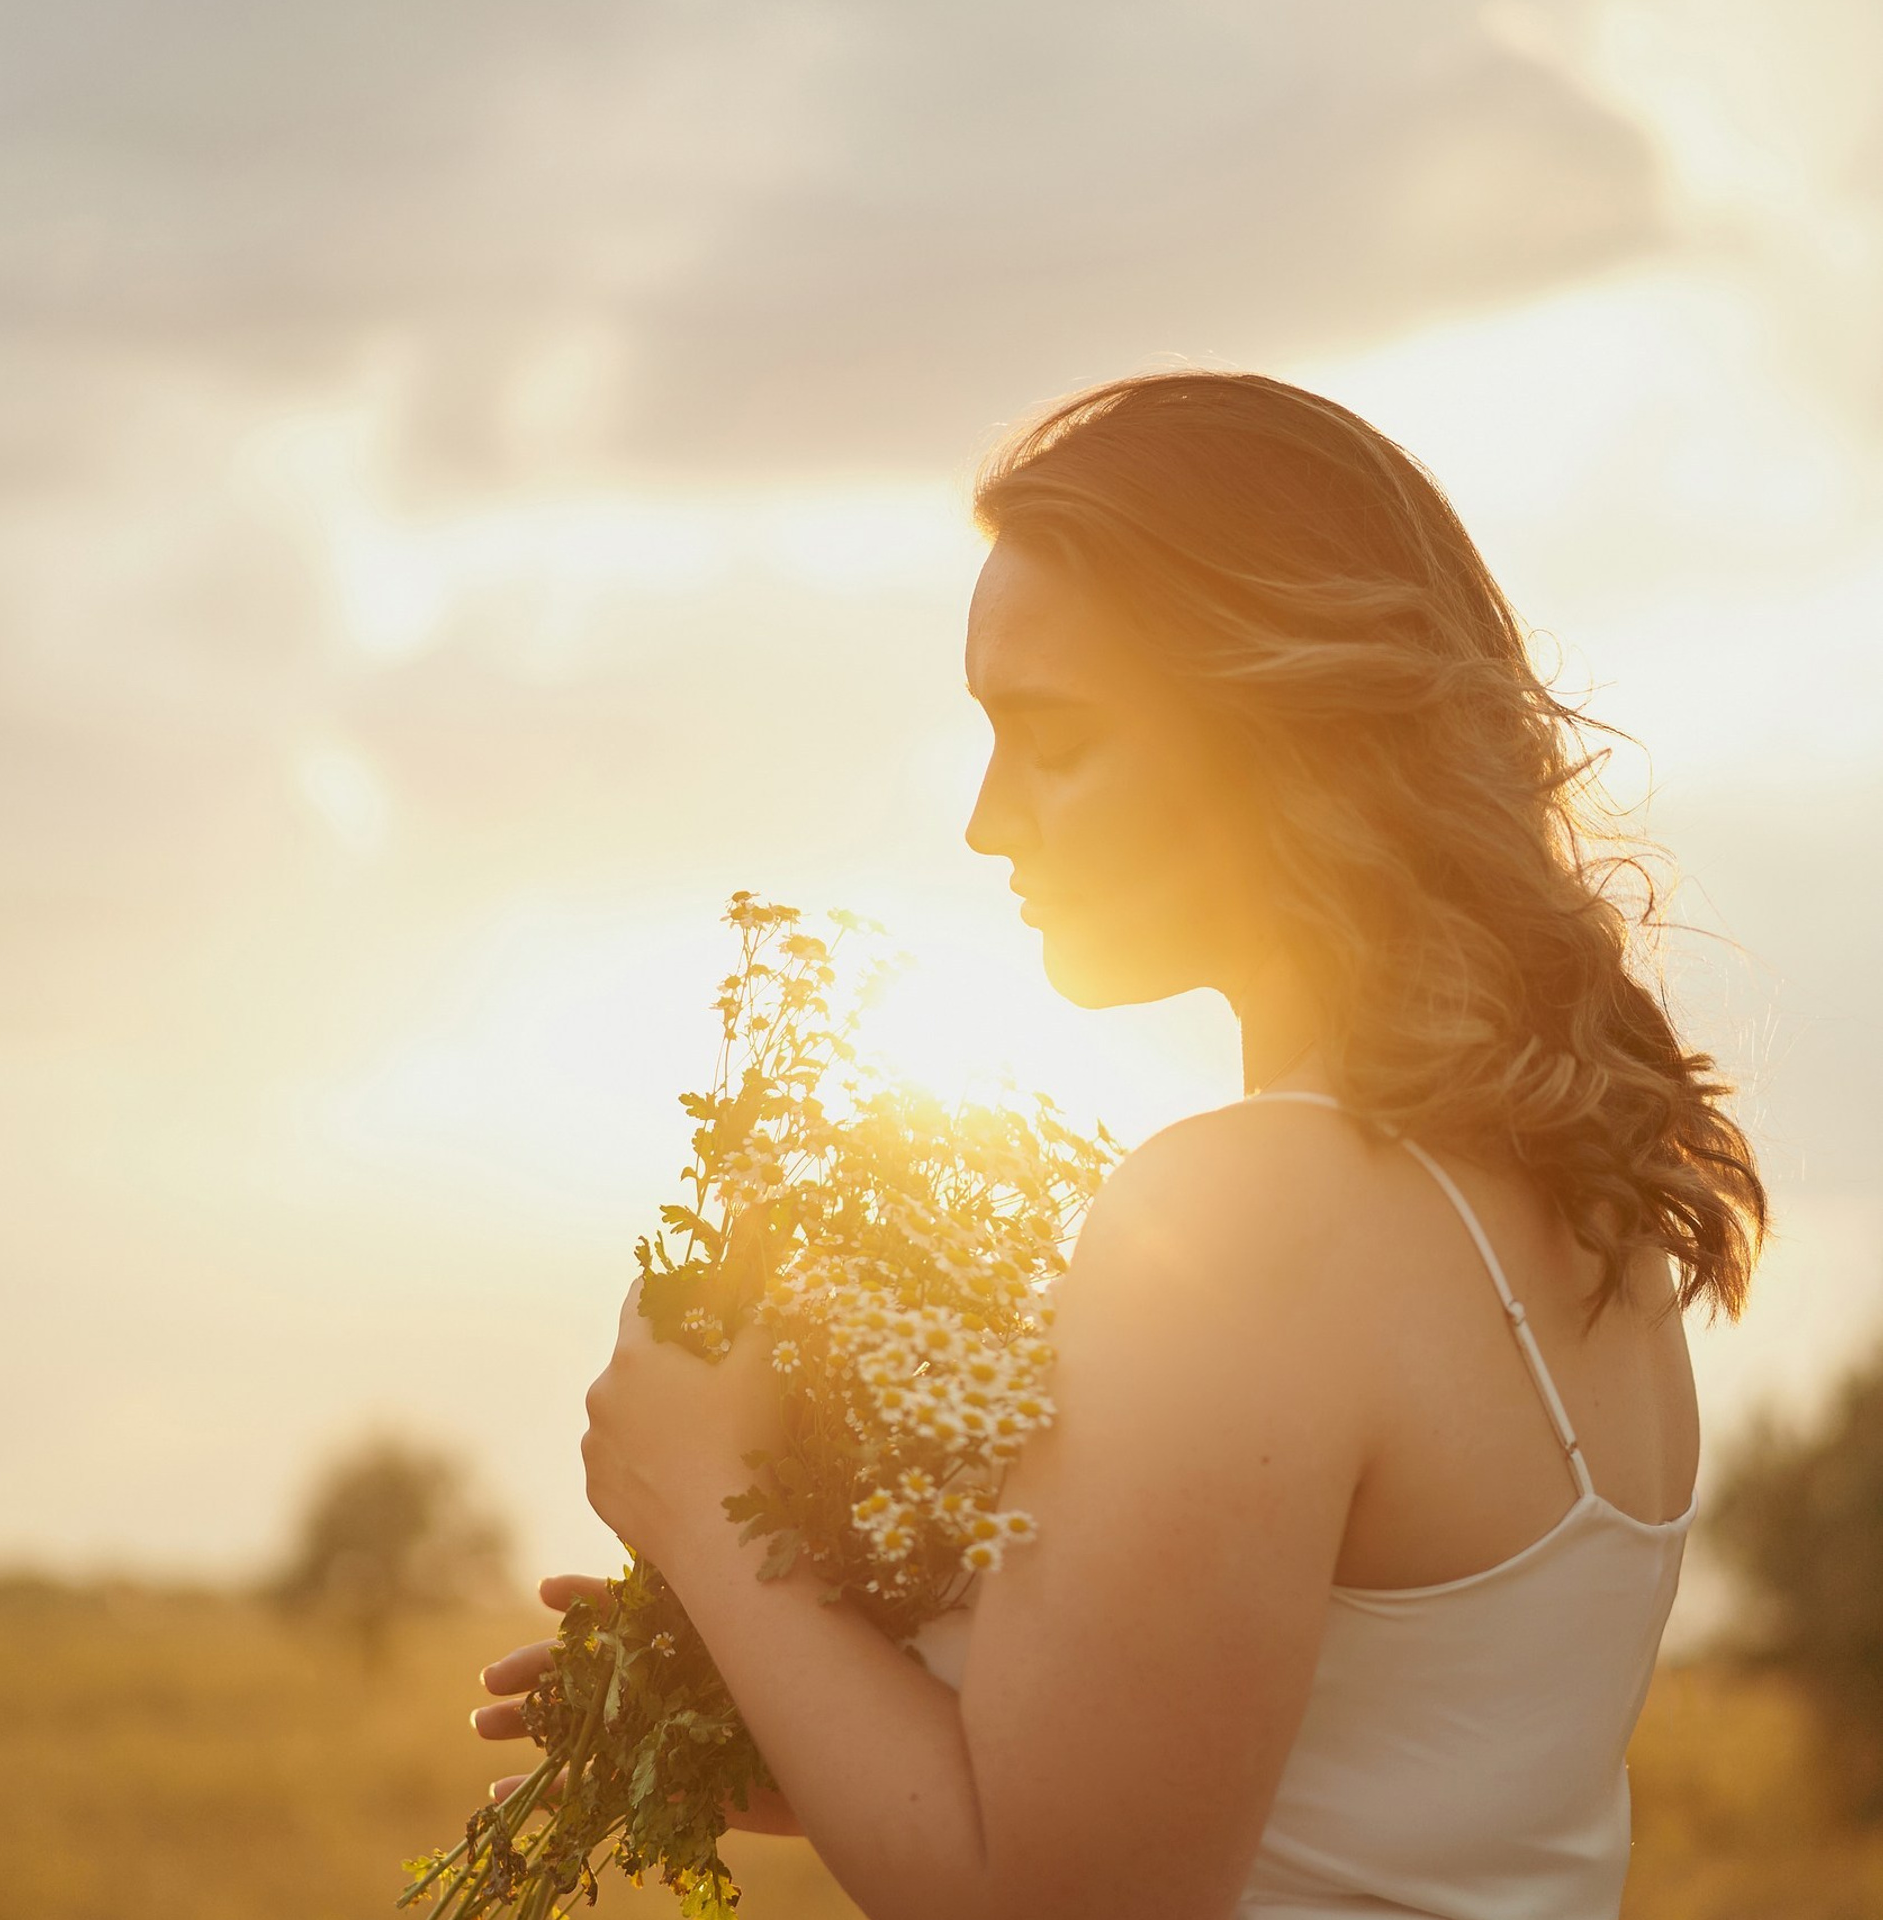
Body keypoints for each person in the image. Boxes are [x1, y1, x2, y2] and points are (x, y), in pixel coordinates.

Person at [469, 371, 1767, 1918]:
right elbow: (1339, 1805)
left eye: (1056, 738)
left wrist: (699, 1507)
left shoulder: (1247, 1218)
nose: (987, 819)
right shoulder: (1581, 1211)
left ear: (1282, 735)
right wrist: (814, 1735)